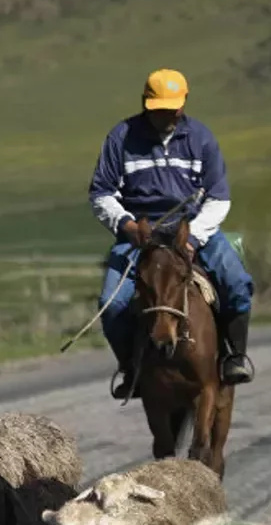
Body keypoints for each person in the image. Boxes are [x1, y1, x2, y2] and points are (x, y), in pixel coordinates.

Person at [88, 68, 256, 400]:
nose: (168, 114)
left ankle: (233, 358)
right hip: (140, 234)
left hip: (194, 229)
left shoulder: (201, 138)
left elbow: (219, 198)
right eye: (161, 107)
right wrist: (127, 225)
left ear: (184, 103)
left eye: (174, 107)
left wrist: (193, 237)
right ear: (146, 103)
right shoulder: (120, 138)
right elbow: (101, 194)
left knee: (237, 283)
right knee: (111, 303)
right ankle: (130, 367)